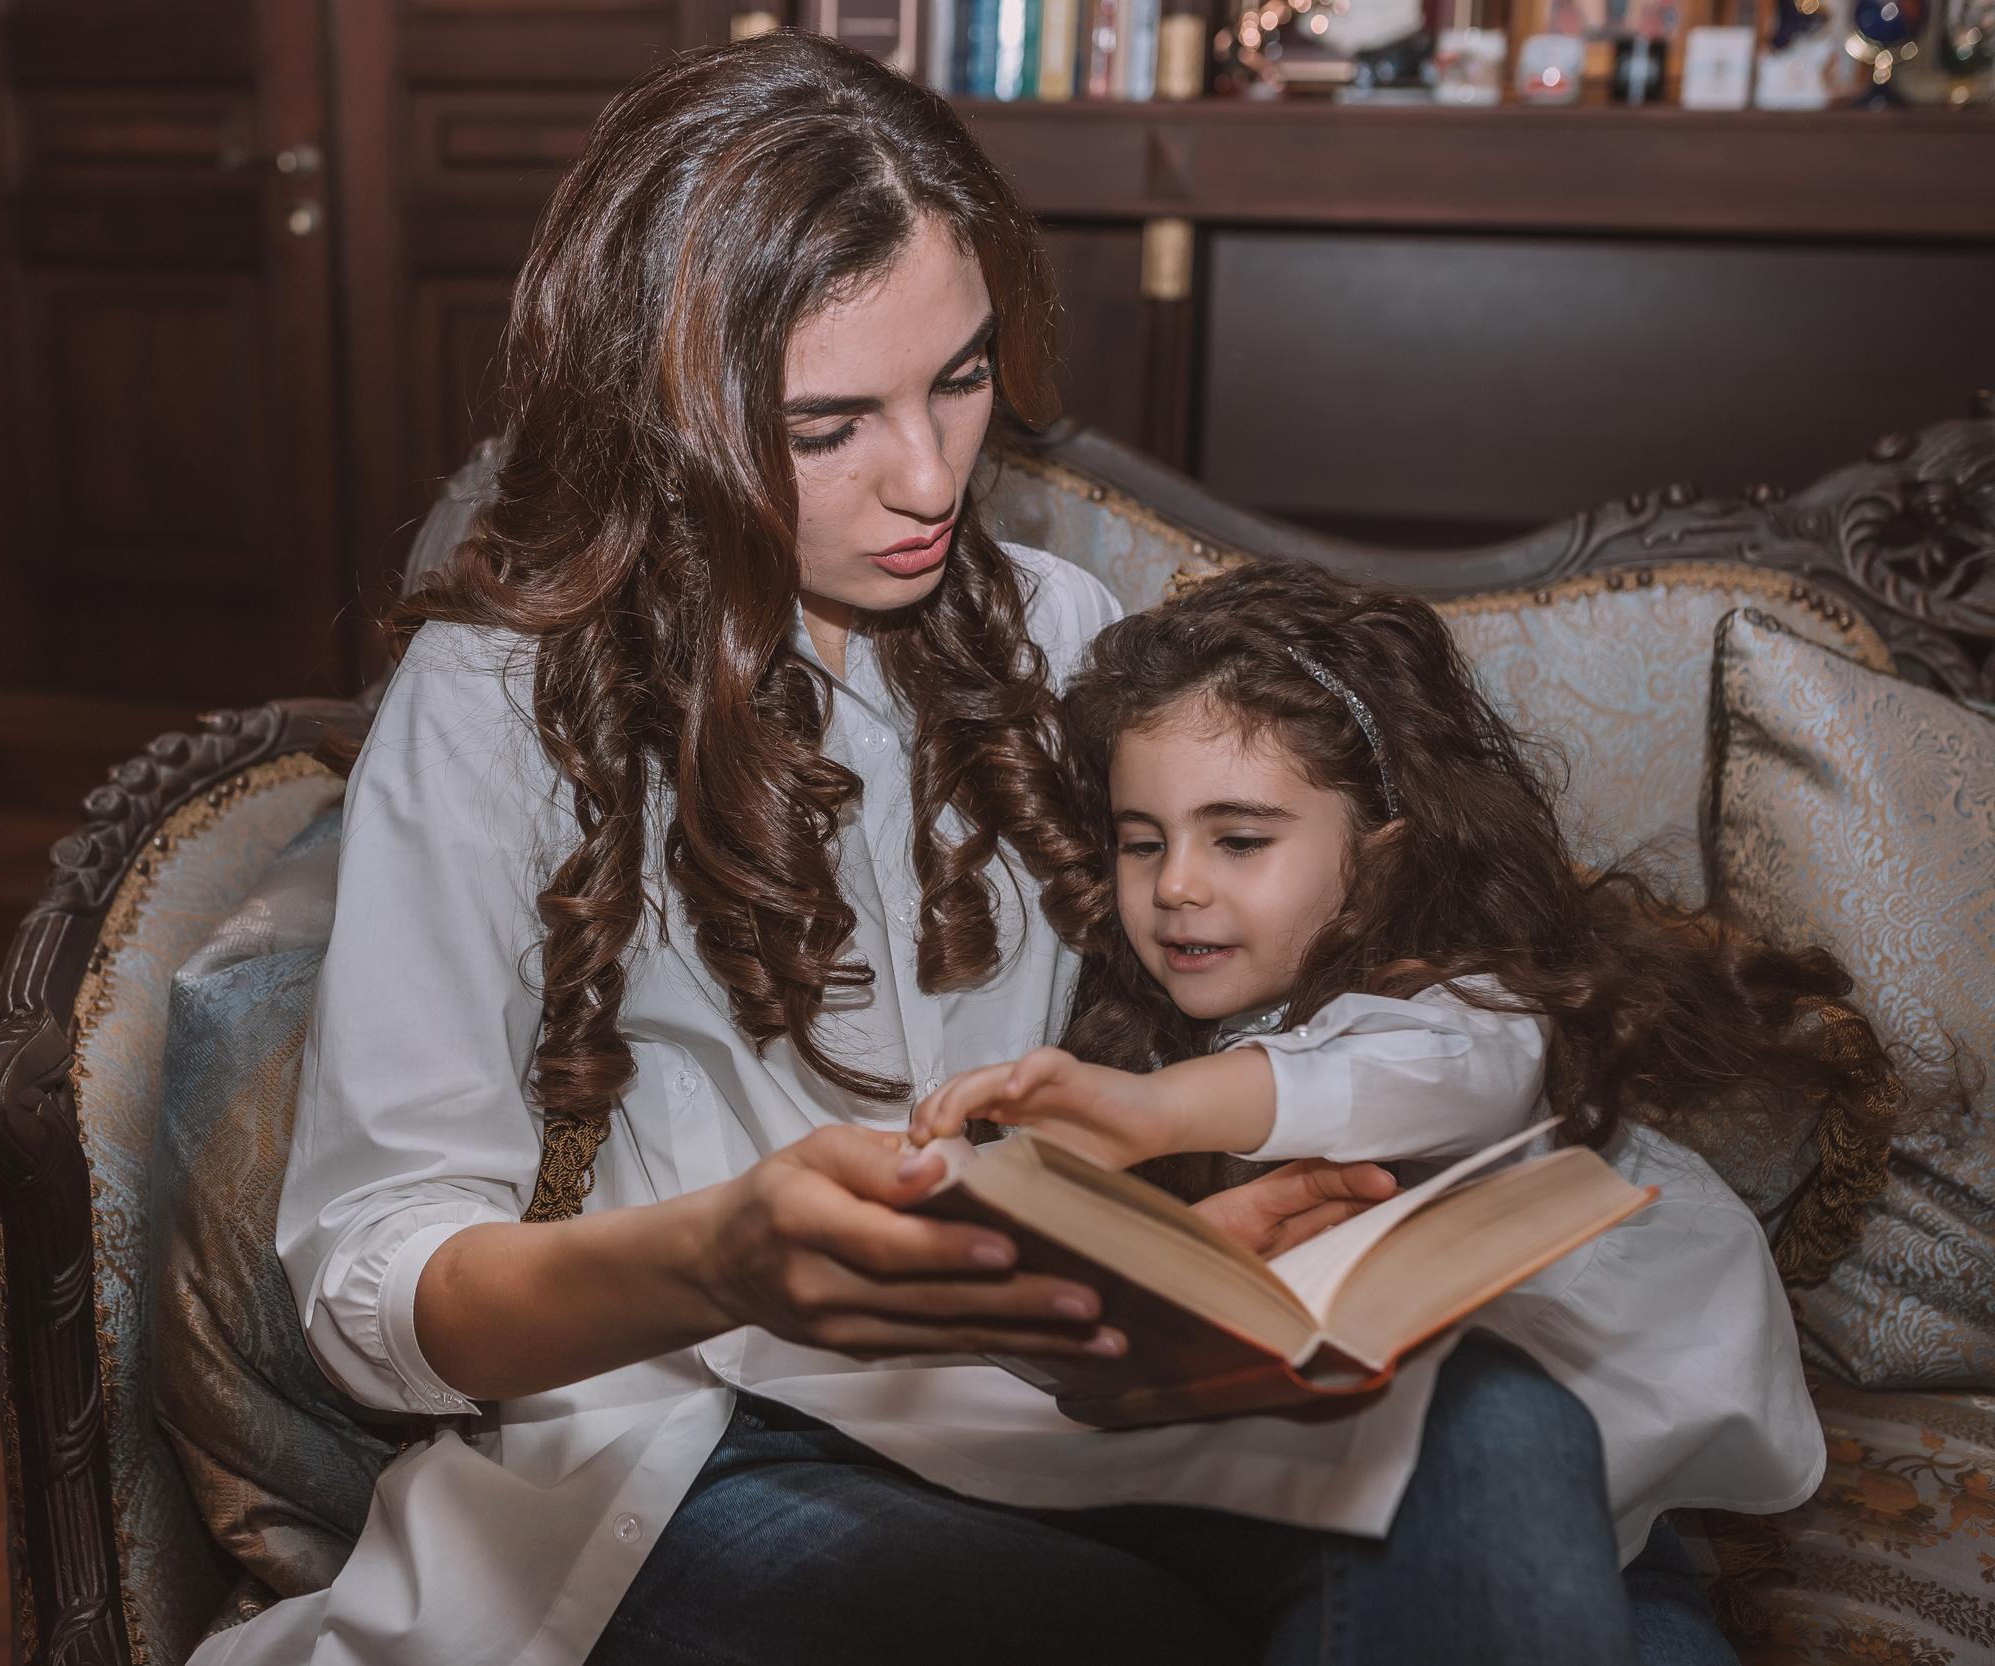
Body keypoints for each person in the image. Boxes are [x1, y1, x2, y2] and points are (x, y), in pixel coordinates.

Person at [199, 31, 1731, 1666]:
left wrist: (1169, 1263)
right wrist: (722, 1255)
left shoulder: (1059, 627)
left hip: (1038, 1398)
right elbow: (375, 1290)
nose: (929, 478)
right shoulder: (496, 697)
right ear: (660, 405)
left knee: (1511, 1433)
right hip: (698, 1435)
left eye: (962, 375)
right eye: (827, 424)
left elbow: (1179, 1019)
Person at [915, 559, 1909, 1561]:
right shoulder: (1129, 1029)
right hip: (1314, 1479)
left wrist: (1162, 1113)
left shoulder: (1468, 1003)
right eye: (1142, 843)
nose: (1175, 885)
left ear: (1381, 855)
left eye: (1240, 840)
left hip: (1574, 1459)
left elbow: (1422, 1077)